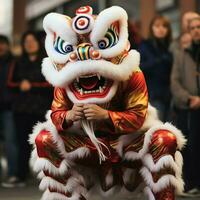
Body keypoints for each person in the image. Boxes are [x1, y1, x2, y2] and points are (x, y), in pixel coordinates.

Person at [30, 6, 185, 200]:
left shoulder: (131, 74)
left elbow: (138, 115)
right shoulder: (66, 78)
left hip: (128, 142)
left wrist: (106, 116)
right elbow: (56, 113)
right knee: (45, 139)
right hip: (86, 143)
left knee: (165, 139)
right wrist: (68, 116)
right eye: (76, 44)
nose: (85, 50)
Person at [7, 31, 53, 185]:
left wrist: (31, 86)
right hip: (21, 109)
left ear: (38, 42)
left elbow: (51, 85)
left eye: (32, 40)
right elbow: (10, 84)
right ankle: (21, 175)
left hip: (42, 109)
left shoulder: (46, 61)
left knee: (45, 143)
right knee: (21, 143)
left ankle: (50, 175)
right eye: (26, 41)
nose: (29, 44)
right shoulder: (18, 62)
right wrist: (20, 85)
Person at [171, 16, 200, 196]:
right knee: (193, 146)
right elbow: (174, 82)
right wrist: (189, 99)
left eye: (199, 27)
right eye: (193, 28)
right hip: (192, 109)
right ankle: (194, 183)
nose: (196, 30)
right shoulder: (181, 54)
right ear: (188, 32)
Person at [139, 15, 173, 121]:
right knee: (157, 127)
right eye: (157, 26)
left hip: (170, 95)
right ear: (151, 28)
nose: (161, 29)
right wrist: (157, 61)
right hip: (153, 93)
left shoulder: (170, 47)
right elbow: (140, 67)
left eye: (164, 26)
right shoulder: (145, 45)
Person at [0, 35, 19, 186]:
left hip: (9, 108)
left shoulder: (14, 62)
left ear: (7, 45)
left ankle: (13, 174)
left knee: (10, 142)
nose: (1, 46)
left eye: (3, 44)